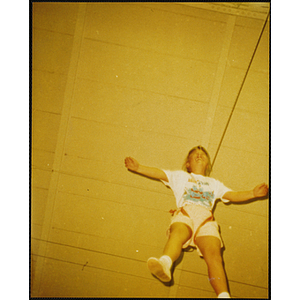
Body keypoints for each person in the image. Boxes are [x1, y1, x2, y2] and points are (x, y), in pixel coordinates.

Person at [124, 146, 268, 298]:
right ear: (188, 164)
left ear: (207, 165)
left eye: (203, 155)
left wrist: (252, 193)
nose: (199, 156)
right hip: (186, 212)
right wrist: (139, 168)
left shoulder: (215, 183)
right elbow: (159, 172)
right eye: (195, 155)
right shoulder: (180, 176)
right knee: (178, 232)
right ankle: (165, 263)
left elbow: (233, 195)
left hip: (206, 219)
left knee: (214, 256)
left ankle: (223, 295)